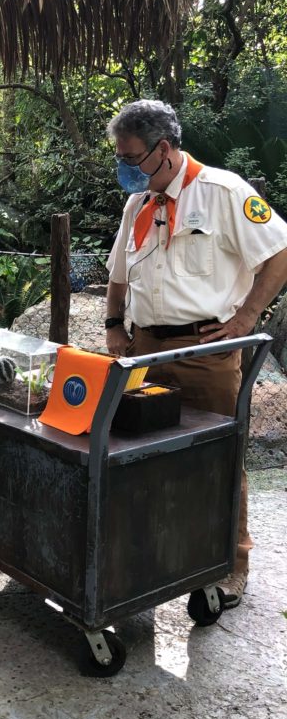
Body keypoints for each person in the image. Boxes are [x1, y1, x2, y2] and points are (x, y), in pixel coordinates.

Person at [105, 99, 287, 607]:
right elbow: (119, 273)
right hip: (145, 351)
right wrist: (114, 325)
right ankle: (161, 555)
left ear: (164, 149)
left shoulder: (223, 192)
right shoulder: (138, 204)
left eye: (133, 156)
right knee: (141, 454)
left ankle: (231, 564)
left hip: (206, 350)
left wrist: (247, 317)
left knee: (217, 457)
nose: (126, 167)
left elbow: (280, 253)